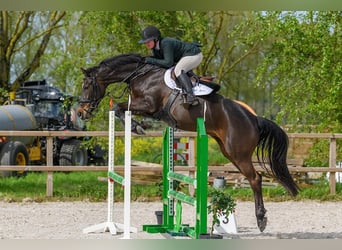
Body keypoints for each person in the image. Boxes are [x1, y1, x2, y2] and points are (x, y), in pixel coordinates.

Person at [139, 25, 203, 107]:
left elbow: (168, 63)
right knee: (176, 69)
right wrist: (145, 58)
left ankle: (191, 96)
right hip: (186, 56)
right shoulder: (156, 48)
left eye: (148, 41)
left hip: (194, 54)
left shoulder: (166, 43)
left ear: (155, 39)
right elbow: (159, 60)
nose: (146, 44)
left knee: (178, 70)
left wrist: (149, 60)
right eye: (145, 42)